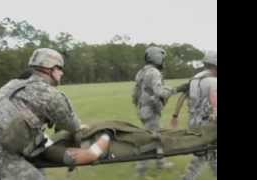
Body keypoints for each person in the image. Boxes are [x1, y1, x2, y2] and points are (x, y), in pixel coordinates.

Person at [0, 48, 82, 180]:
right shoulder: (50, 94)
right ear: (51, 69)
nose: (62, 73)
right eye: (60, 68)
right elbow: (73, 125)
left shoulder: (12, 84)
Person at [28, 120, 217, 169]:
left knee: (170, 134)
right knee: (177, 139)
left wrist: (84, 129)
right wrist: (105, 135)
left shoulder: (47, 141)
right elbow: (91, 154)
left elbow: (80, 131)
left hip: (122, 136)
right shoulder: (49, 150)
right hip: (122, 143)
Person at [132, 46, 188, 176]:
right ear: (156, 57)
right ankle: (141, 169)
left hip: (143, 109)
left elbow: (136, 93)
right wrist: (176, 89)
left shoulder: (141, 72)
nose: (163, 60)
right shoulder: (154, 72)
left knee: (157, 136)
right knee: (152, 139)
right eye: (163, 58)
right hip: (151, 110)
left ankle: (160, 162)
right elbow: (159, 92)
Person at [170, 52, 217, 180]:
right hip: (208, 125)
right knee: (203, 156)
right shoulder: (213, 81)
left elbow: (182, 96)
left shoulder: (195, 78)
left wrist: (175, 115)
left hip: (194, 123)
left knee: (210, 154)